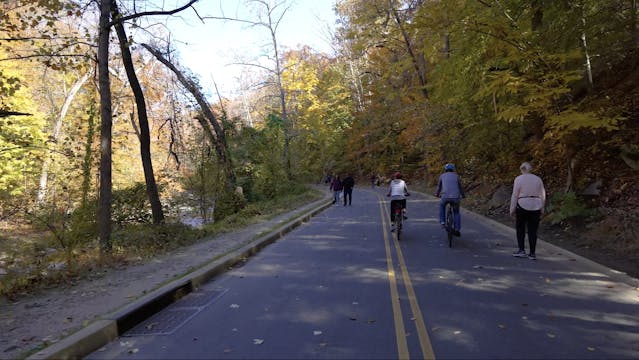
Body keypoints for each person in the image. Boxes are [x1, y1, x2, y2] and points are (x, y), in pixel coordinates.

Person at [510, 162, 546, 260]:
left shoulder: (518, 179)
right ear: (531, 169)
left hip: (522, 204)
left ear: (521, 169)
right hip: (536, 205)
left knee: (520, 228)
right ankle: (532, 253)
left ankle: (521, 250)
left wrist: (512, 209)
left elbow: (515, 195)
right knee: (533, 230)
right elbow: (543, 194)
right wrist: (542, 208)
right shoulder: (538, 179)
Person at [435, 163, 465, 237]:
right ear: (453, 169)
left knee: (442, 206)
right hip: (455, 197)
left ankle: (442, 222)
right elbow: (460, 187)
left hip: (445, 197)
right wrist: (463, 195)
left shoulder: (442, 176)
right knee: (456, 212)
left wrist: (437, 194)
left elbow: (439, 187)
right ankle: (457, 229)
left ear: (445, 169)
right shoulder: (457, 176)